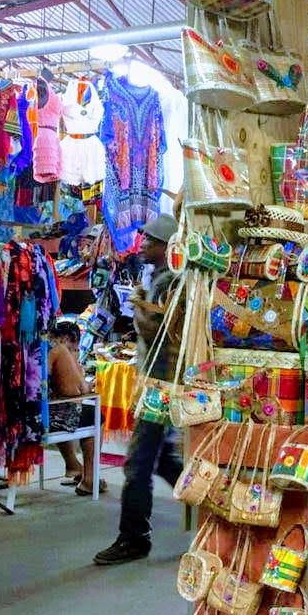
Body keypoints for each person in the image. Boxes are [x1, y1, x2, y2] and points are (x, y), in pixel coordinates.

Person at [93, 214, 183, 565]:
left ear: (165, 247)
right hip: (156, 381)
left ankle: (133, 537)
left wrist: (140, 308)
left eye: (150, 241)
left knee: (138, 463)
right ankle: (210, 505)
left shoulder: (169, 282)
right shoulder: (160, 279)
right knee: (160, 459)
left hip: (160, 385)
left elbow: (161, 333)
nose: (143, 245)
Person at [46, 320, 103, 494]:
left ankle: (73, 465)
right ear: (64, 339)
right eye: (74, 348)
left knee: (74, 410)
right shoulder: (59, 350)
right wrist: (77, 373)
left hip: (34, 414)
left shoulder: (38, 347)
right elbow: (75, 391)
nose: (74, 352)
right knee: (94, 414)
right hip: (48, 418)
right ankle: (89, 479)